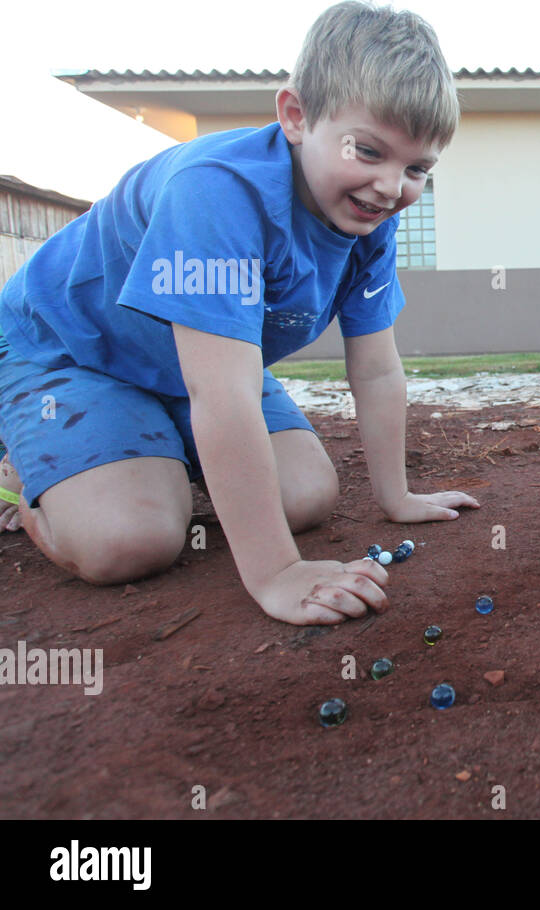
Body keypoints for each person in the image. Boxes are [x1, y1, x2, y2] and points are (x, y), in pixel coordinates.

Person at [0, 1, 478, 624]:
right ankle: (22, 476)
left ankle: (148, 451)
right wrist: (278, 573)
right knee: (132, 540)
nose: (392, 186)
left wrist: (396, 496)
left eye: (417, 169)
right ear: (297, 116)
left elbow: (378, 369)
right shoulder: (215, 191)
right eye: (368, 151)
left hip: (191, 366)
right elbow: (220, 394)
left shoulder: (369, 221)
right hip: (69, 352)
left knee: (306, 495)